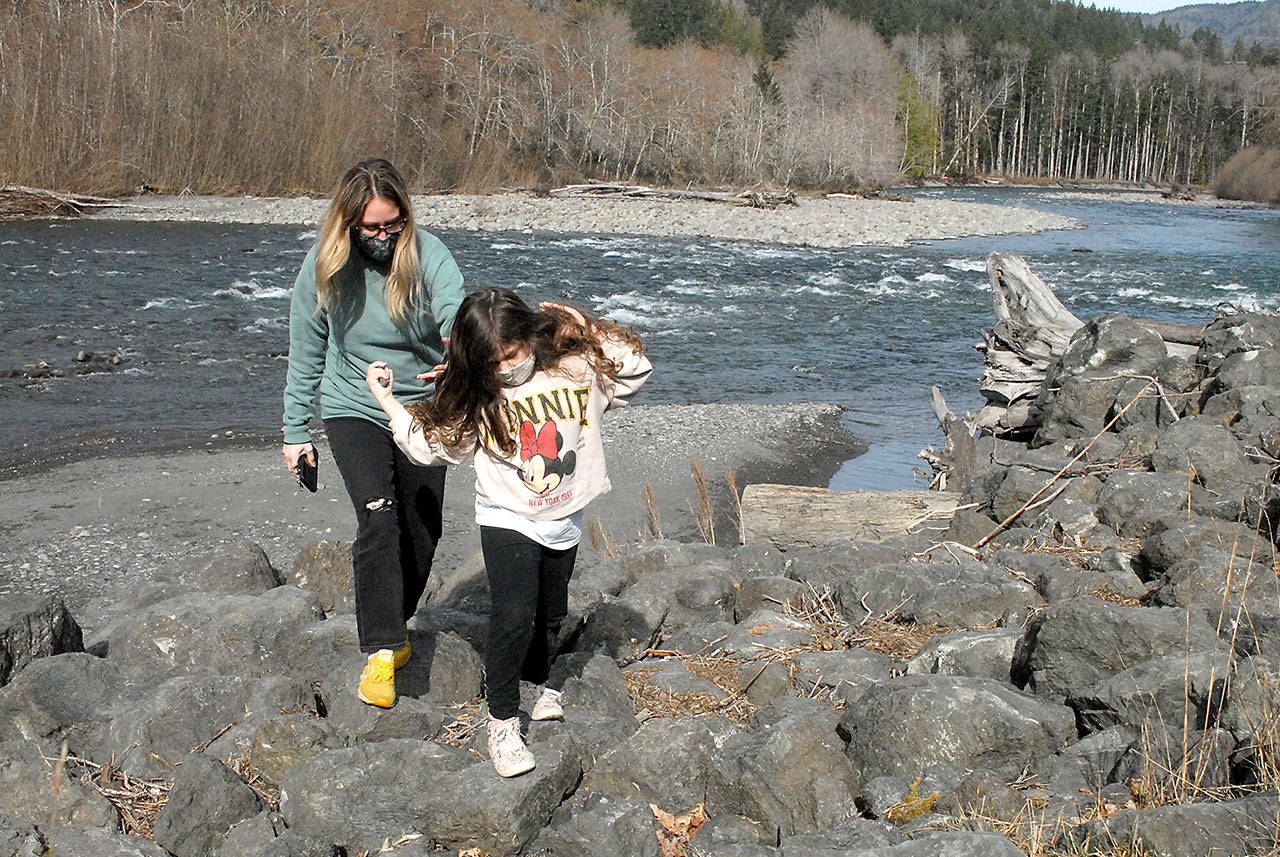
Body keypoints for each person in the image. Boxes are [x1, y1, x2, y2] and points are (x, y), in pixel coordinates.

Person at [363, 288, 651, 777]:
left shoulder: (575, 368)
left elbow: (634, 371)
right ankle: (501, 722)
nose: (504, 368)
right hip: (506, 514)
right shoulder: (480, 390)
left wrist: (587, 328)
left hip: (565, 513)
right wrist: (388, 403)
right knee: (514, 616)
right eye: (491, 361)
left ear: (528, 337)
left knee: (551, 611)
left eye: (511, 355)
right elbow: (434, 444)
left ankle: (536, 682)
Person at [282, 158, 464, 709]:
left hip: (424, 407)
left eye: (393, 224)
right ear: (348, 224)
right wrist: (295, 431)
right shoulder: (324, 268)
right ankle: (381, 650)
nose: (384, 237)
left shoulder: (429, 254)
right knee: (378, 515)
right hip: (354, 403)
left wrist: (459, 358)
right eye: (372, 228)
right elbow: (306, 353)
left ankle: (397, 623)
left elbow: (459, 314)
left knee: (422, 528)